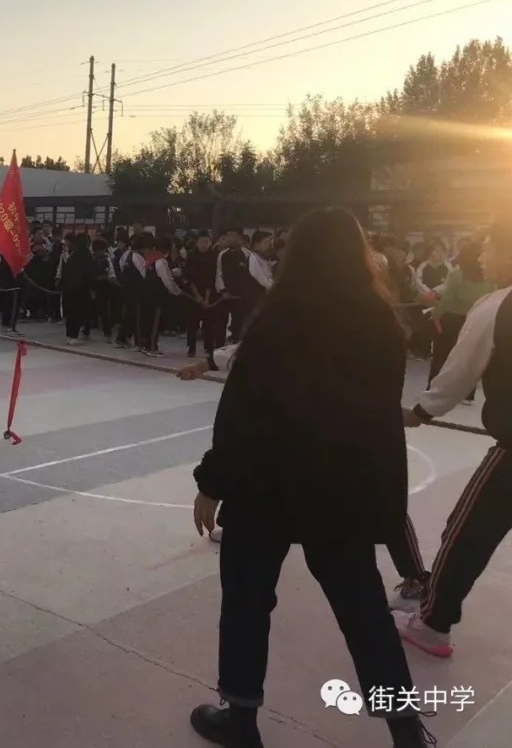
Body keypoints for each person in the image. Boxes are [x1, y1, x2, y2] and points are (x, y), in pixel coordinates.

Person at [189, 207, 430, 748]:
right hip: (341, 490)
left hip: (266, 486)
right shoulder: (379, 322)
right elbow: (378, 419)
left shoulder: (279, 319)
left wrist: (212, 480)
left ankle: (241, 721)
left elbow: (243, 413)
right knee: (364, 613)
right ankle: (407, 732)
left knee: (248, 602)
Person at [396, 223, 512, 660]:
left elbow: (459, 371)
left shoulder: (498, 305)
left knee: (467, 533)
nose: (480, 257)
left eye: (488, 248)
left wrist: (420, 412)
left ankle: (432, 622)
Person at [424, 239, 494, 406]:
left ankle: (433, 389)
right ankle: (468, 395)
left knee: (441, 355)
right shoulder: (488, 277)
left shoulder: (456, 274)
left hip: (452, 320)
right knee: (469, 358)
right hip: (474, 319)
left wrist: (434, 314)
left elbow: (447, 301)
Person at [183, 230, 221, 358]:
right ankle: (191, 348)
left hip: (210, 293)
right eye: (201, 242)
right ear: (197, 243)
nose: (204, 244)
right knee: (192, 322)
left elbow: (213, 278)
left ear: (210, 243)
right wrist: (197, 296)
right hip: (193, 293)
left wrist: (206, 298)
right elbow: (189, 277)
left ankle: (209, 348)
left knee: (209, 323)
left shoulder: (214, 257)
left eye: (206, 242)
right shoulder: (191, 256)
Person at [59, 233, 95, 345]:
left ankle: (69, 336)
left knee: (70, 313)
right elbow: (89, 274)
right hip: (80, 288)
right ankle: (74, 336)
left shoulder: (73, 255)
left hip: (68, 288)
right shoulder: (86, 255)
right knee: (77, 312)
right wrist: (91, 288)